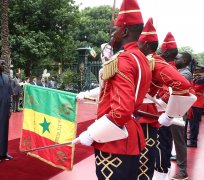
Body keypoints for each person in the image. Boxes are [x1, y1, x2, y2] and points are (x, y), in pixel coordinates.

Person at [74, 0, 152, 179]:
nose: (113, 35)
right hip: (130, 134)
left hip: (114, 140)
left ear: (124, 31)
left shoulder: (123, 61)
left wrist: (91, 133)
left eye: (115, 31)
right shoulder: (141, 59)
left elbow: (121, 110)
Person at [136, 19, 192, 180]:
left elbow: (179, 87)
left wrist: (168, 111)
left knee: (161, 148)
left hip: (157, 112)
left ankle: (172, 172)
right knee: (160, 148)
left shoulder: (159, 64)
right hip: (153, 111)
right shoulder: (153, 62)